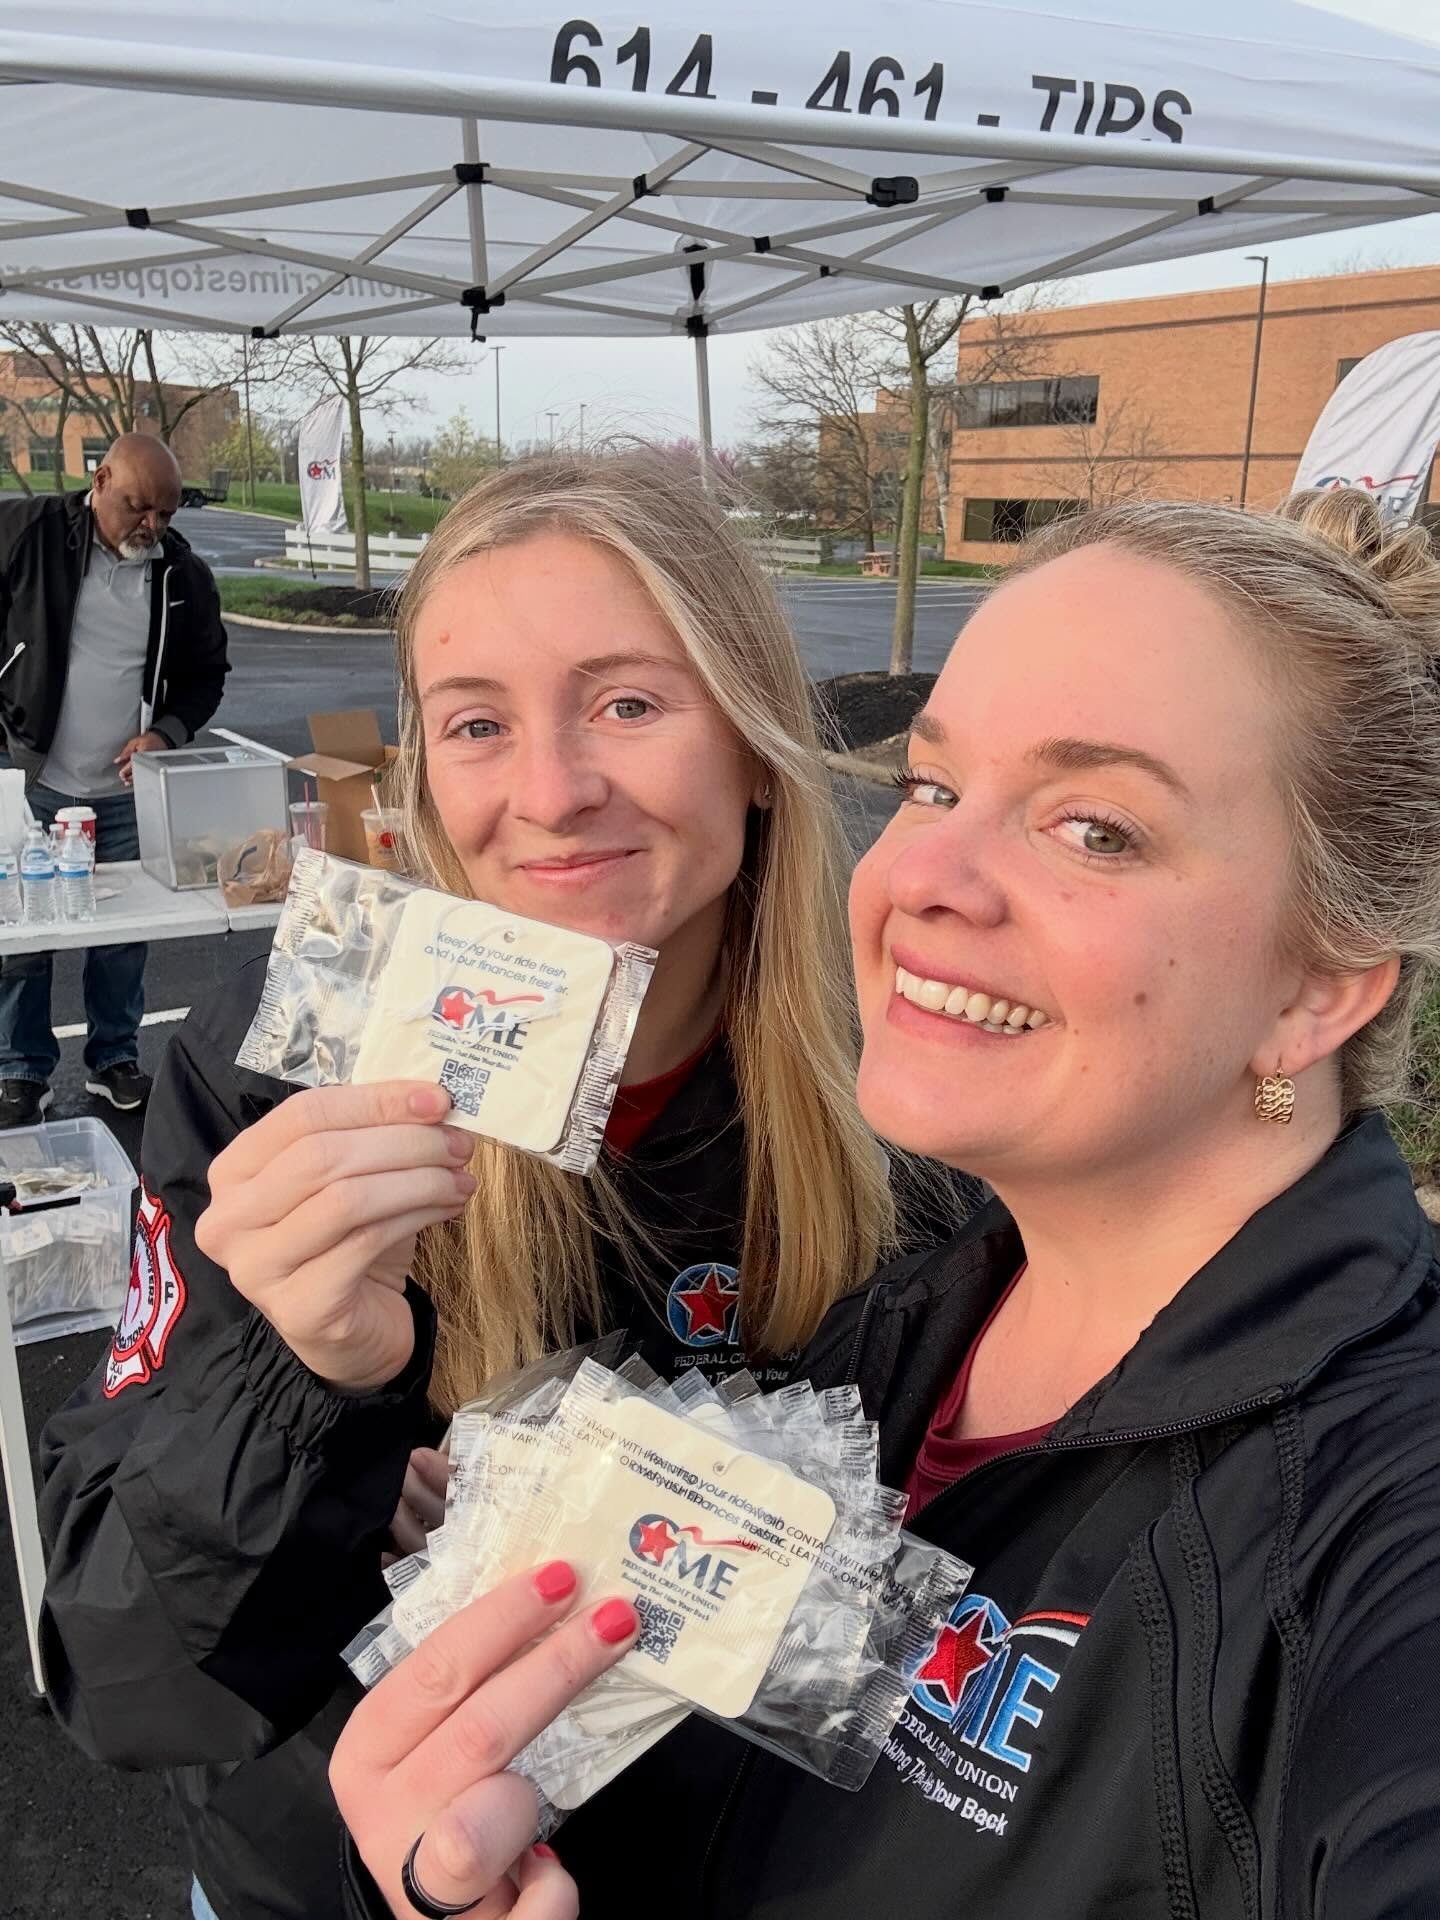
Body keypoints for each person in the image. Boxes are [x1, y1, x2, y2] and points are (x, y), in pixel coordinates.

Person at [332, 488, 1440, 1920]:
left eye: (1096, 828)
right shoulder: (897, 1341)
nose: (921, 876)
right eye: (931, 787)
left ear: (1316, 990)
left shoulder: (1376, 1527)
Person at [39, 451, 946, 1920]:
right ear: (424, 772)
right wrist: (291, 1390)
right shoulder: (279, 1068)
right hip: (328, 1875)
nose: (551, 794)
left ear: (754, 744)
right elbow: (129, 1685)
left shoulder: (908, 1099)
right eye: (477, 723)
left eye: (630, 704)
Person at [0, 432, 229, 1124]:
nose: (152, 526)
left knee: (124, 937)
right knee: (22, 934)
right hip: (29, 776)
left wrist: (166, 733)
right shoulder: (26, 533)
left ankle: (113, 1060)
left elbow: (206, 675)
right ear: (99, 481)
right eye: (138, 507)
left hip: (124, 791)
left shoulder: (181, 576)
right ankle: (19, 1069)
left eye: (166, 512)